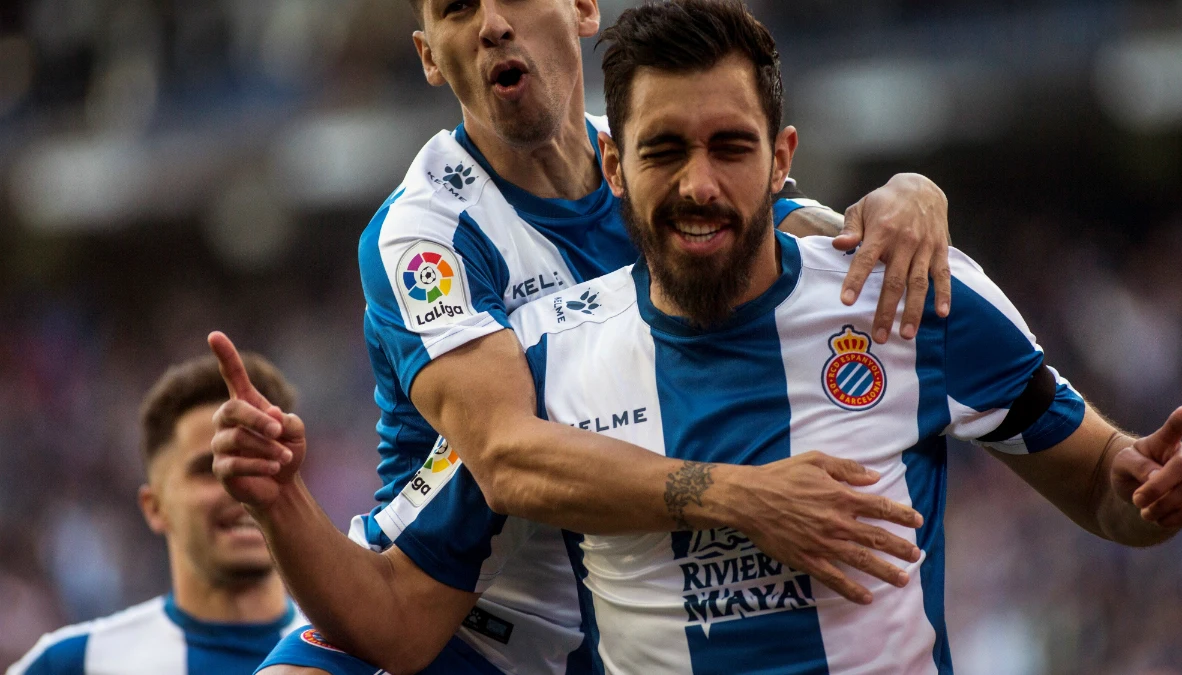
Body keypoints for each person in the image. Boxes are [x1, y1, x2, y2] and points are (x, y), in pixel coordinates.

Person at [373, 0, 1182, 671]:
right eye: (663, 152)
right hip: (495, 635)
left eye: (730, 148)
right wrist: (742, 498)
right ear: (623, 169)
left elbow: (1104, 482)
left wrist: (1143, 492)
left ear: (779, 159)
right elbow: (497, 464)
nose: (698, 180)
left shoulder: (903, 298)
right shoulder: (509, 318)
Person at [211, 0, 958, 672]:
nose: (493, 22)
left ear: (583, 7)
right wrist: (739, 495)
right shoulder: (426, 232)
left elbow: (799, 237)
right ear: (430, 56)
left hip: (620, 618)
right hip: (454, 608)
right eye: (459, 8)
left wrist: (908, 197)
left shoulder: (653, 155)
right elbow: (506, 456)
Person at [7, 355, 308, 675]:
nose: (246, 488)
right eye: (211, 469)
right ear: (155, 507)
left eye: (262, 462)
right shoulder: (70, 666)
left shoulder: (354, 658)